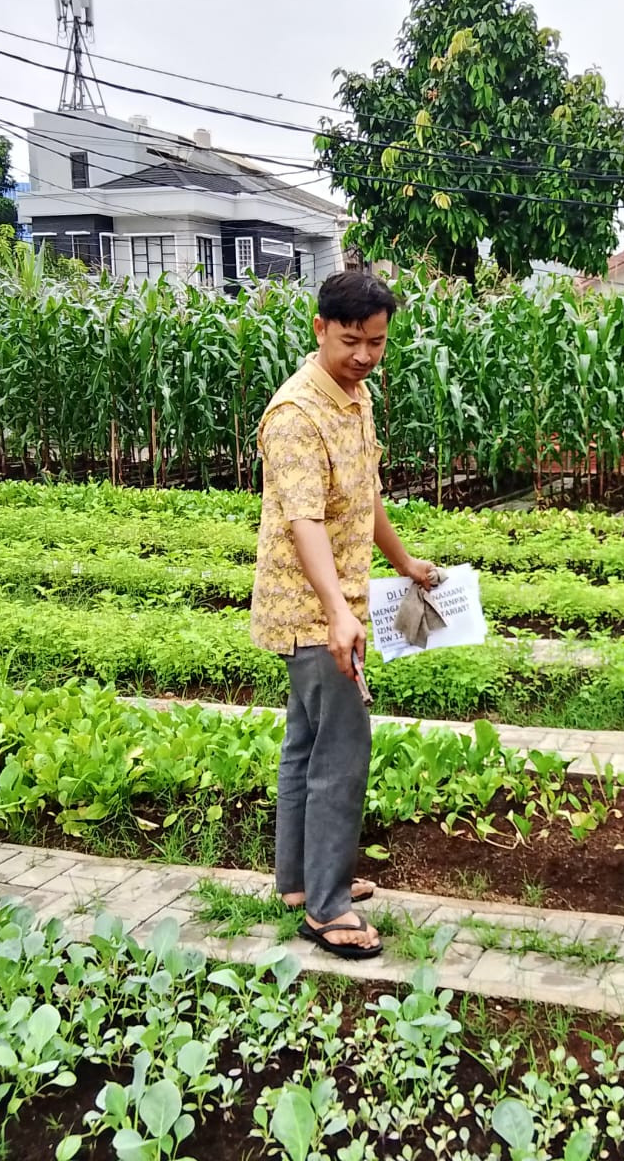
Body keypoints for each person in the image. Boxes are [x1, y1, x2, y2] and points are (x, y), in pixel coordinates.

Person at [251, 271, 436, 961]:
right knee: (341, 755)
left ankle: (300, 882)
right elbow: (303, 522)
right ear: (320, 327)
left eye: (377, 342)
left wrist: (404, 562)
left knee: (306, 743)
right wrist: (337, 612)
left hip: (332, 604)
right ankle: (328, 911)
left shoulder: (352, 399)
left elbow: (365, 496)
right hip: (312, 612)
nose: (364, 355)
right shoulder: (298, 414)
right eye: (351, 340)